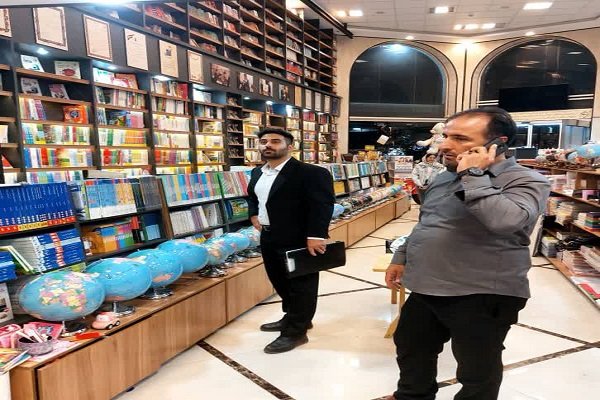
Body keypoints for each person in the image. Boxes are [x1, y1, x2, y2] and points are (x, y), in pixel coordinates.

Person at [384, 107, 550, 400]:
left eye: (460, 139)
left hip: (482, 291)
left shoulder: (526, 180)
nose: (445, 145)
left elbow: (505, 221)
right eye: (447, 136)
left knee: (477, 366)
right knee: (411, 345)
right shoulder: (443, 178)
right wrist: (401, 257)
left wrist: (473, 174)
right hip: (428, 285)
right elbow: (428, 221)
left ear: (497, 144)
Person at [247, 127, 335, 354]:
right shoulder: (257, 173)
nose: (268, 145)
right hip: (269, 235)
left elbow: (322, 205)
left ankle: (296, 332)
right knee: (279, 280)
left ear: (290, 146)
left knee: (301, 285)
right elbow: (253, 197)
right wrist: (254, 214)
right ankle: (293, 317)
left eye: (275, 141)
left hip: (299, 237)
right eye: (264, 141)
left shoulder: (311, 173)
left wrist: (315, 236)